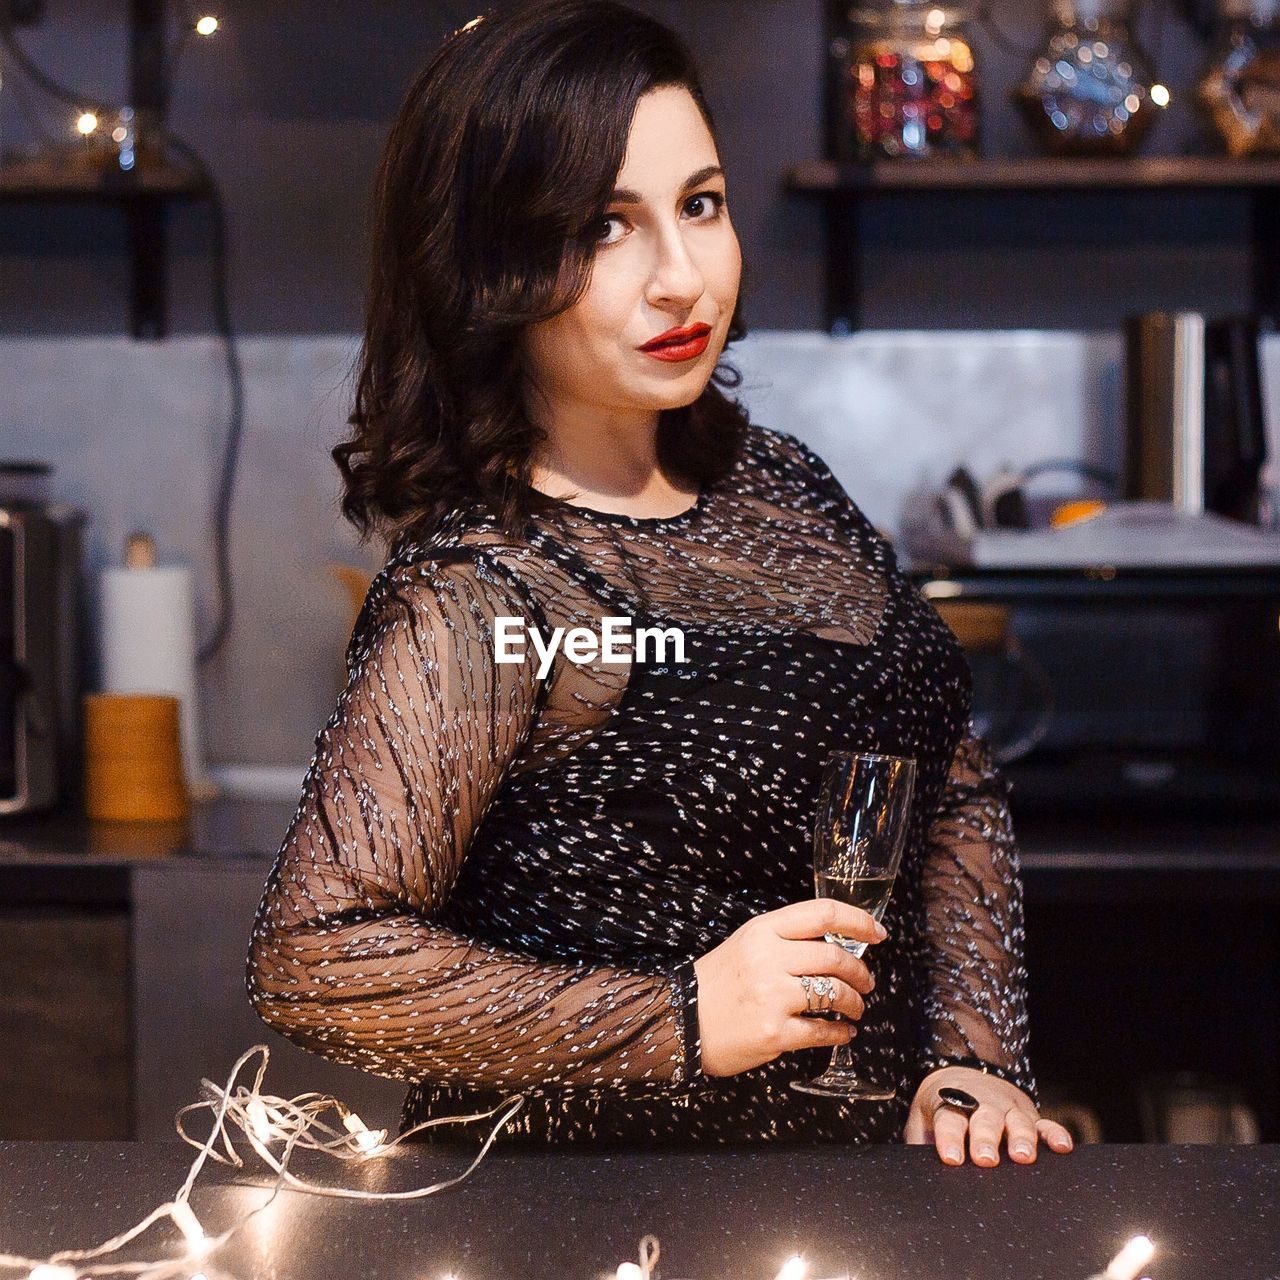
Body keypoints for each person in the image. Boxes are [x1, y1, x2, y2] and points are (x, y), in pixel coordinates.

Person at [245, 0, 1075, 1169]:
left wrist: (970, 1055)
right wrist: (680, 1015)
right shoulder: (496, 592)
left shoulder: (784, 489)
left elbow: (944, 782)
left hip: (847, 1199)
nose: (682, 278)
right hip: (580, 1217)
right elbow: (317, 954)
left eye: (700, 205)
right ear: (493, 265)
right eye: (604, 228)